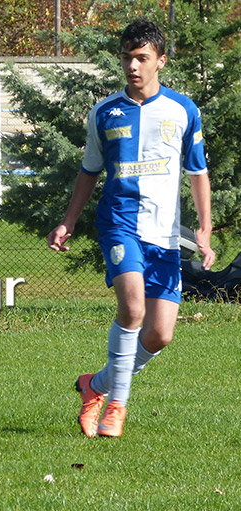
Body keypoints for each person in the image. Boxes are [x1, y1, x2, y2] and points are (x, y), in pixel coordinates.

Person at [47, 18, 215, 438]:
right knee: (133, 310)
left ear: (160, 61)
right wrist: (68, 221)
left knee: (159, 334)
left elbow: (198, 173)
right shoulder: (105, 112)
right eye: (127, 58)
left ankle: (96, 385)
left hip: (165, 233)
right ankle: (116, 407)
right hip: (120, 223)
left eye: (142, 58)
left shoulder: (183, 111)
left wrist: (205, 231)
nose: (133, 66)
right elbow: (89, 171)